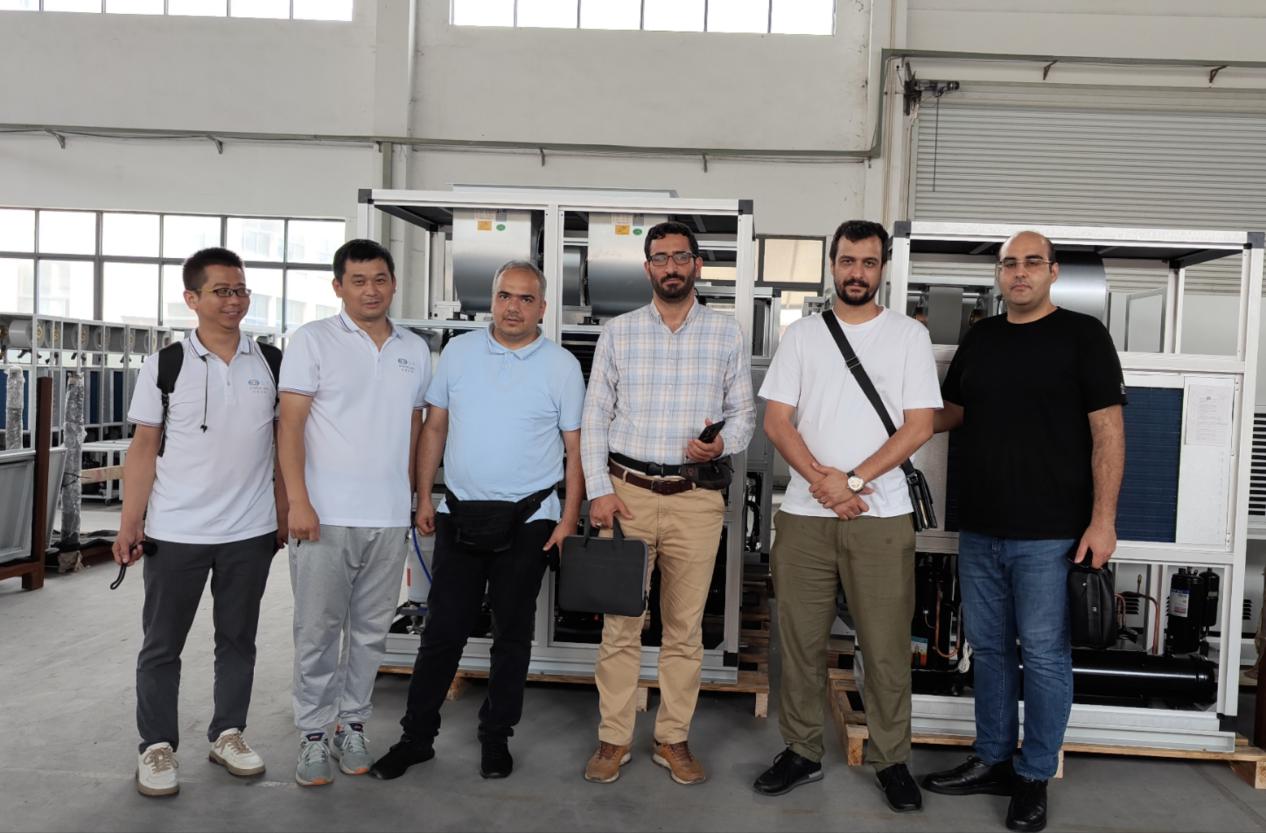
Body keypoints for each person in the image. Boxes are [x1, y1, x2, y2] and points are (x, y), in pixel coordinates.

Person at [921, 230, 1125, 833]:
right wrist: (883, 415)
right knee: (987, 651)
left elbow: (1109, 433)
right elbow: (952, 412)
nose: (1019, 273)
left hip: (1051, 533)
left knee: (1042, 655)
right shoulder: (982, 337)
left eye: (1032, 263)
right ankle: (991, 759)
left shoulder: (1084, 336)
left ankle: (1033, 774)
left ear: (1053, 272)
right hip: (981, 528)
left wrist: (1103, 520)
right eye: (1009, 264)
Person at [369, 260, 585, 782]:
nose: (513, 307)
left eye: (526, 299)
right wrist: (424, 496)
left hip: (530, 519)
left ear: (542, 308)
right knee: (443, 632)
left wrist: (568, 518)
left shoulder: (561, 366)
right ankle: (416, 738)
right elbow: (435, 427)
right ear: (492, 299)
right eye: (505, 295)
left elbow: (576, 447)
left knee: (512, 635)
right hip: (459, 513)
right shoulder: (459, 353)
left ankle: (496, 737)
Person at [754, 220, 941, 811]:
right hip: (805, 516)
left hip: (882, 517)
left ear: (882, 268)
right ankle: (801, 751)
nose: (856, 272)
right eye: (847, 260)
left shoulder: (908, 336)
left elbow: (920, 425)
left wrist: (853, 481)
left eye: (868, 262)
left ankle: (891, 759)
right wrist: (824, 484)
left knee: (884, 646)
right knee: (800, 642)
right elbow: (776, 421)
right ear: (832, 265)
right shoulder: (803, 336)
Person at [580, 220, 755, 786]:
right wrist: (599, 490)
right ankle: (614, 739)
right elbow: (594, 416)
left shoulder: (725, 333)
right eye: (661, 258)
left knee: (685, 629)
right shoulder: (619, 333)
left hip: (695, 499)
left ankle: (672, 738)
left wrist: (721, 444)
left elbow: (744, 415)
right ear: (647, 267)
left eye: (682, 257)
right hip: (627, 494)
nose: (672, 267)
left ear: (697, 265)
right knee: (621, 626)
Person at [114, 247, 286, 797]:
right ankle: (156, 745)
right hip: (176, 531)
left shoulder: (271, 362)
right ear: (192, 298)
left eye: (241, 290)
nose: (234, 301)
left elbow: (284, 444)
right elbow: (144, 447)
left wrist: (284, 512)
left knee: (238, 640)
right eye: (221, 291)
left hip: (249, 530)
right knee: (162, 645)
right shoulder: (166, 364)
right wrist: (130, 522)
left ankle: (228, 733)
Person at [278, 238, 432, 787]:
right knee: (318, 632)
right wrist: (298, 501)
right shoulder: (312, 340)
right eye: (359, 281)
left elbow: (414, 428)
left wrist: (415, 497)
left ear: (394, 284)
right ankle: (313, 735)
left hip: (387, 517)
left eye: (380, 279)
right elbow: (290, 425)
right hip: (324, 516)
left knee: (370, 633)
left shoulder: (415, 348)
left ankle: (353, 725)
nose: (371, 290)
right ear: (338, 286)